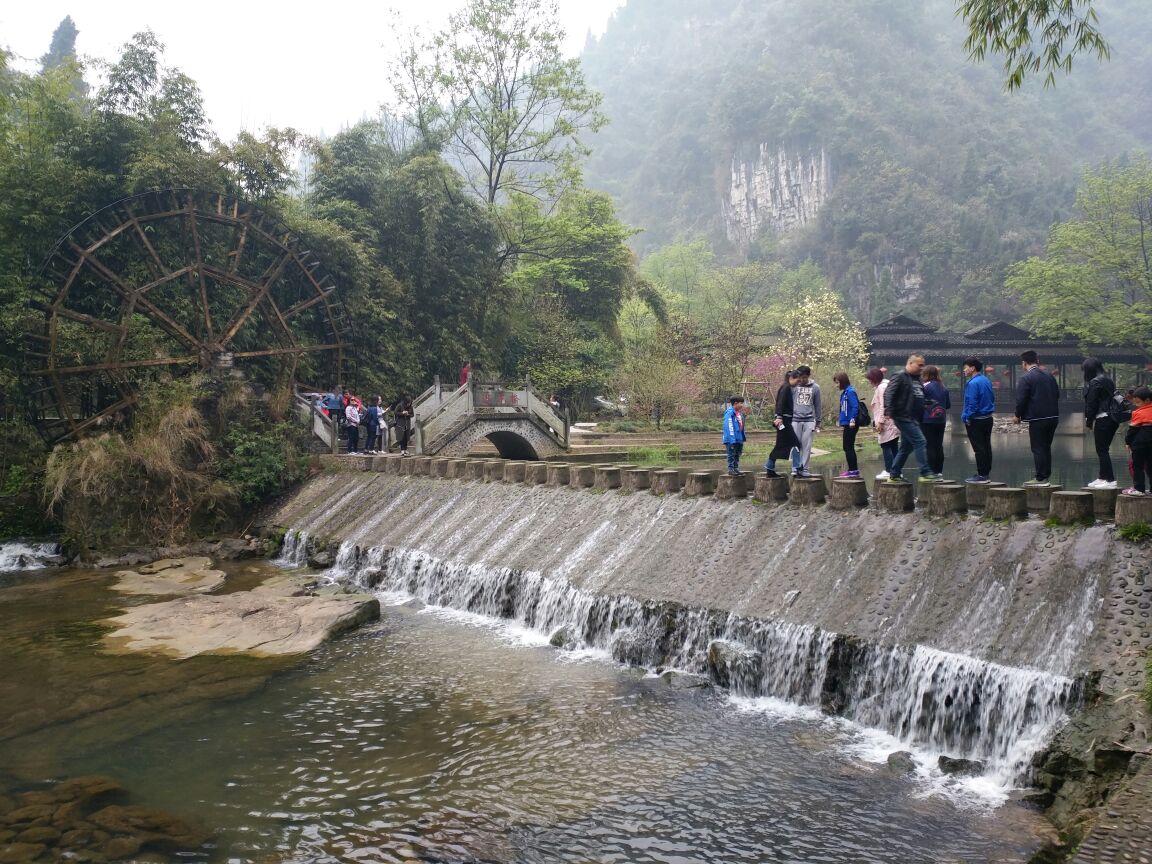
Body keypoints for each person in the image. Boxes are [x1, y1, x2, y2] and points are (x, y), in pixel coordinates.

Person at [884, 353, 941, 483]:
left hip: (914, 417)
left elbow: (917, 396)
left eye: (923, 365)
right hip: (902, 415)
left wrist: (927, 403)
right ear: (910, 363)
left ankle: (894, 474)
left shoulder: (917, 379)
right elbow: (889, 393)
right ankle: (925, 472)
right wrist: (888, 410)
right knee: (920, 441)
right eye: (919, 365)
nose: (922, 368)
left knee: (906, 447)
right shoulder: (900, 376)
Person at [1013, 350, 1061, 486]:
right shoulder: (1049, 375)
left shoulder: (1026, 378)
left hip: (1038, 418)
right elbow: (1057, 394)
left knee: (1038, 448)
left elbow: (1021, 399)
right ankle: (1046, 476)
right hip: (1053, 416)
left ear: (1024, 363)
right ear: (1037, 360)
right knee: (1046, 447)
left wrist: (1017, 415)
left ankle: (1040, 478)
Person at [1083, 357, 1119, 489]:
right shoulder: (1108, 379)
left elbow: (1091, 403)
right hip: (1112, 418)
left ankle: (1109, 480)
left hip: (1103, 417)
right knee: (1103, 449)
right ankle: (1102, 477)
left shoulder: (1095, 381)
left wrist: (1089, 420)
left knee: (1102, 450)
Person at [960, 357, 995, 482]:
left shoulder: (972, 383)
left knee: (978, 448)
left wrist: (967, 416)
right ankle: (986, 473)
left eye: (965, 367)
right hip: (988, 418)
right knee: (986, 446)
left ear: (972, 368)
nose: (964, 370)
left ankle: (982, 475)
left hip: (977, 420)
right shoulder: (986, 380)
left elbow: (972, 403)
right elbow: (992, 398)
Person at [764, 370, 801, 477]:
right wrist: (779, 416)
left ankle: (770, 468)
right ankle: (798, 468)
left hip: (785, 420)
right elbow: (780, 403)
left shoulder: (785, 387)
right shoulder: (786, 388)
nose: (798, 383)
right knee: (795, 443)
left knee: (782, 445)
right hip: (784, 420)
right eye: (797, 380)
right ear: (792, 378)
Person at [868, 367, 899, 480]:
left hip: (886, 422)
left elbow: (883, 405)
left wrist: (880, 422)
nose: (869, 382)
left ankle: (889, 470)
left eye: (870, 379)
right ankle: (897, 471)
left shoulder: (882, 387)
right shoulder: (887, 385)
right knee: (894, 446)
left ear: (874, 378)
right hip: (892, 421)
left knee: (886, 445)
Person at [790, 365, 821, 477]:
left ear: (808, 376)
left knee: (807, 446)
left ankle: (805, 469)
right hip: (795, 419)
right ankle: (795, 467)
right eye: (800, 377)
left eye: (804, 377)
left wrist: (818, 421)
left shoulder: (815, 387)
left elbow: (817, 405)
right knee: (795, 445)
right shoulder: (793, 387)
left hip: (809, 420)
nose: (802, 380)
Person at [921, 365, 951, 476]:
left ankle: (931, 471)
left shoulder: (925, 387)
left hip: (927, 420)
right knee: (938, 445)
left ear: (926, 374)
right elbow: (948, 405)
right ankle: (939, 471)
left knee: (930, 445)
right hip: (941, 420)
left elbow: (920, 402)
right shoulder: (943, 387)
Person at [1123, 385, 1152, 496]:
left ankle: (1139, 489)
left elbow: (1132, 431)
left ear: (1148, 400)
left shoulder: (1138, 413)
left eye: (1138, 402)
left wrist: (1127, 442)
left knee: (1137, 466)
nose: (1136, 405)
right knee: (1150, 466)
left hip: (1140, 444)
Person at [834, 372, 860, 478]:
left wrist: (852, 419)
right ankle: (852, 469)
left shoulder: (850, 392)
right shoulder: (845, 392)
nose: (836, 385)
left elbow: (855, 406)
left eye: (837, 382)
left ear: (842, 381)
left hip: (851, 423)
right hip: (846, 423)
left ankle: (853, 470)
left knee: (848, 446)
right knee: (847, 446)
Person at [722, 395, 747, 475]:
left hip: (739, 438)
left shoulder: (739, 414)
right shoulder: (729, 413)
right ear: (735, 403)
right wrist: (731, 439)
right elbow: (728, 426)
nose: (742, 405)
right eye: (741, 403)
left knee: (737, 453)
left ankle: (736, 468)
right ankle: (731, 469)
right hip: (731, 439)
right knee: (731, 454)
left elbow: (741, 426)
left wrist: (742, 438)